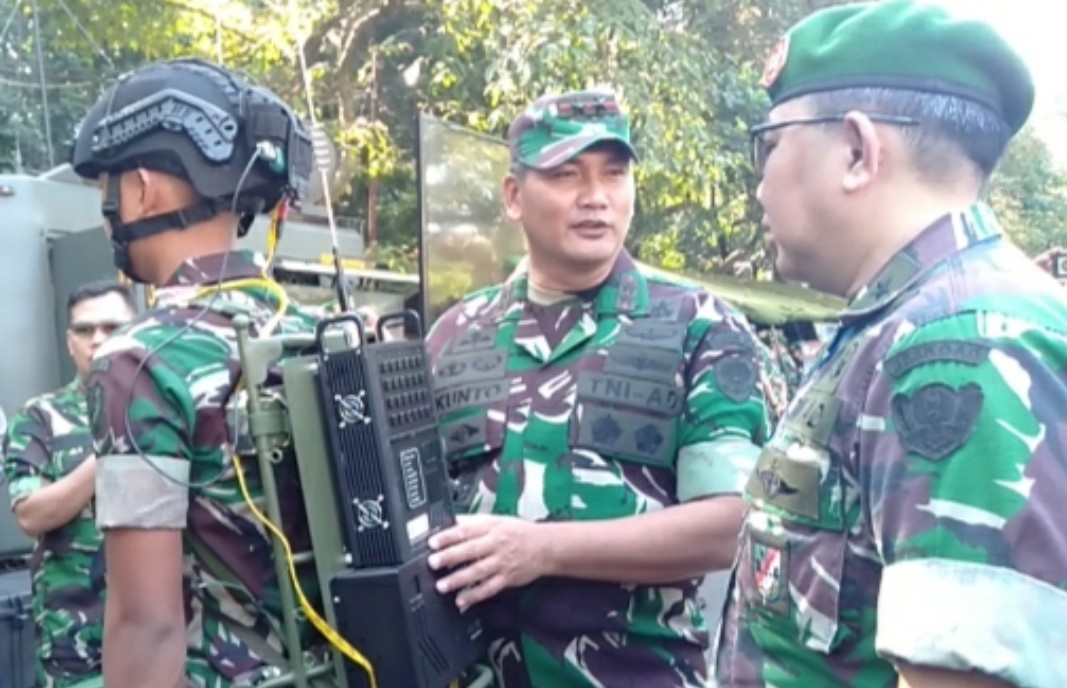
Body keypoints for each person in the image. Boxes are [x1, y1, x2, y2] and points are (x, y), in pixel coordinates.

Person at [714, 2, 1067, 687]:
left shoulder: (954, 347)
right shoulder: (904, 324)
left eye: (769, 145)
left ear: (856, 151)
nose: (759, 184)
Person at [424, 89, 775, 687]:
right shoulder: (454, 336)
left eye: (614, 174)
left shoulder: (698, 327)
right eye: (566, 174)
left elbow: (732, 522)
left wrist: (542, 549)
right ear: (513, 196)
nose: (595, 197)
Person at [68, 57, 322, 687]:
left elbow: (147, 626)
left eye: (108, 191)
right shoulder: (317, 330)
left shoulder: (141, 360)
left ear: (143, 189)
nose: (108, 212)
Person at [3, 280, 135, 688]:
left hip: (169, 631)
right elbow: (31, 515)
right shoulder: (40, 417)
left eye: (112, 327)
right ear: (69, 341)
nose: (98, 339)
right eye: (85, 329)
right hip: (77, 640)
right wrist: (107, 455)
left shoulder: (168, 409)